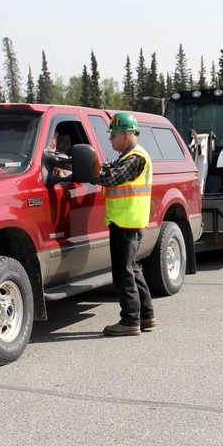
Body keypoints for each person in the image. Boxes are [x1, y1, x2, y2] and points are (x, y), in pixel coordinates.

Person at [89, 112, 154, 337]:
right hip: (128, 219)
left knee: (123, 271)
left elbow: (110, 178)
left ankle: (130, 321)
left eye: (113, 135)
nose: (110, 140)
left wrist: (86, 173)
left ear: (126, 135)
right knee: (133, 269)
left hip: (126, 221)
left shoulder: (136, 157)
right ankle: (146, 315)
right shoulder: (127, 156)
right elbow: (108, 169)